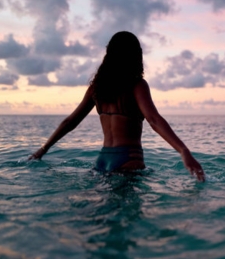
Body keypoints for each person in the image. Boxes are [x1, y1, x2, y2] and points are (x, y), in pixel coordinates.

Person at [30, 31, 205, 181]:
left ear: (109, 55)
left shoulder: (97, 88)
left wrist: (43, 149)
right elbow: (153, 119)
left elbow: (70, 122)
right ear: (136, 56)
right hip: (129, 159)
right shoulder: (137, 86)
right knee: (126, 219)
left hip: (103, 160)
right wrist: (184, 151)